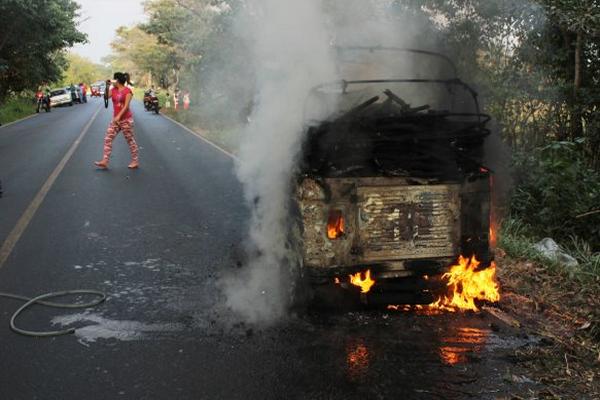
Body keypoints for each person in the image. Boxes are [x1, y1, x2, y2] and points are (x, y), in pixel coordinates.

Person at [94, 72, 139, 170]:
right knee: (108, 138)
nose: (112, 80)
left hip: (126, 120)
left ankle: (135, 161)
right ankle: (105, 161)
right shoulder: (113, 90)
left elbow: (126, 106)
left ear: (117, 80)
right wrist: (107, 86)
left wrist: (119, 116)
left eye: (114, 79)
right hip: (116, 120)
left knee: (130, 141)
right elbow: (106, 97)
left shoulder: (128, 91)